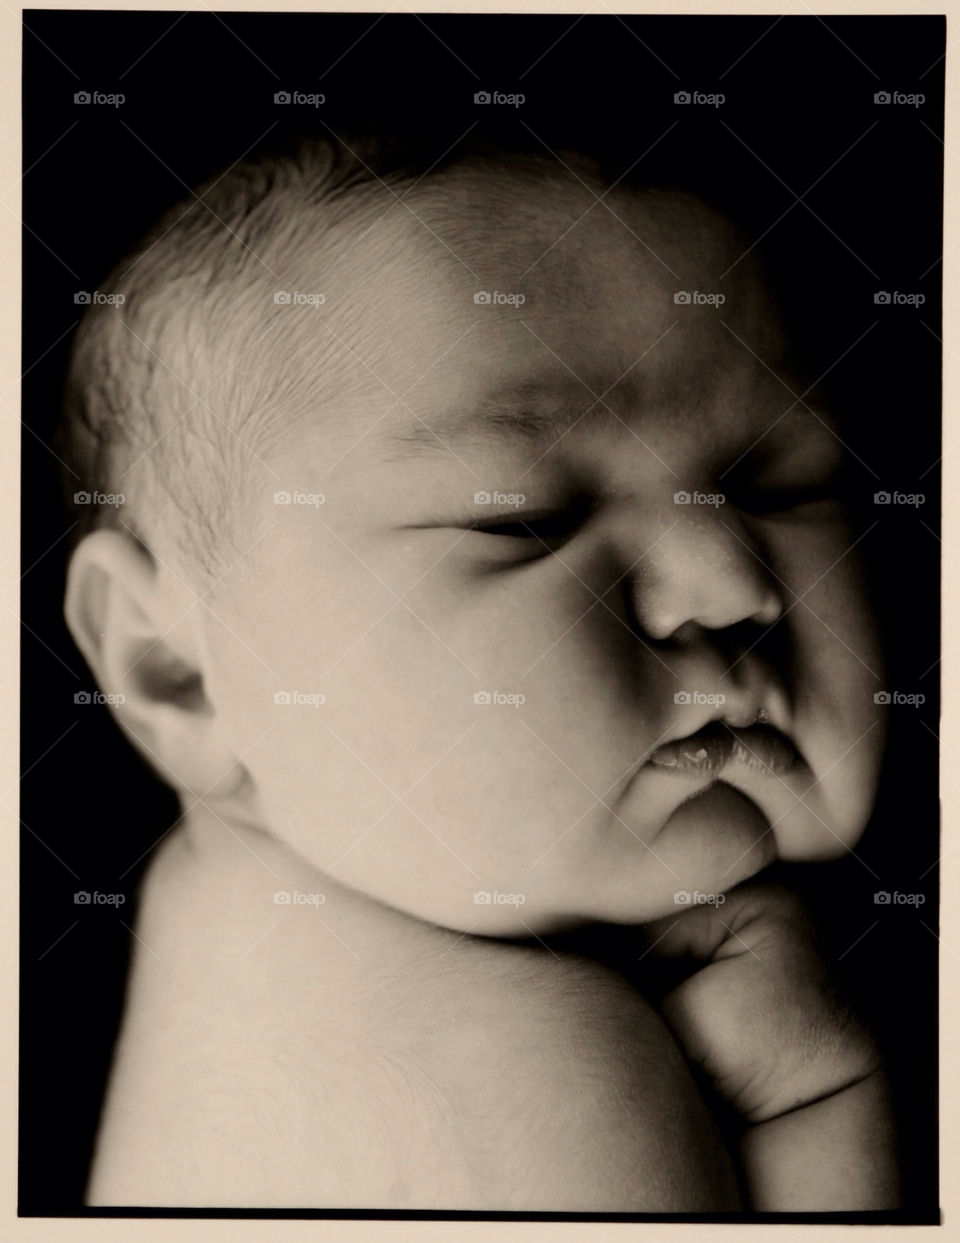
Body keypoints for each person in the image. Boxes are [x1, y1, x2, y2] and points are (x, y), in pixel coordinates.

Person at [60, 134, 898, 1209]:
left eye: (779, 481)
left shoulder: (237, 922)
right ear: (171, 665)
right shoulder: (521, 1084)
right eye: (524, 519)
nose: (727, 584)